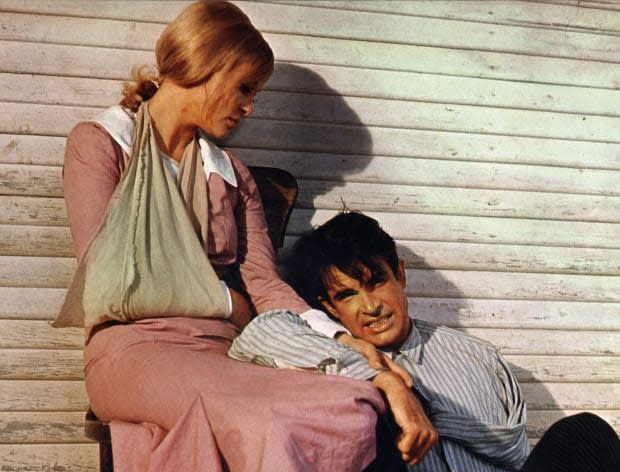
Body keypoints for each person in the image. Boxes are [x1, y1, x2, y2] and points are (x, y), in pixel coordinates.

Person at [53, 2, 415, 470]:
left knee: (348, 404)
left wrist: (344, 341)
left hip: (228, 351)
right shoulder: (100, 143)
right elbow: (112, 280)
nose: (249, 107)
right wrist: (229, 303)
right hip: (133, 350)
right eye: (244, 88)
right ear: (206, 65)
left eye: (255, 93)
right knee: (264, 419)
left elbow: (263, 286)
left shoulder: (231, 175)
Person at [229, 211, 620, 471]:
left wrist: (428, 410)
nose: (370, 307)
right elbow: (259, 334)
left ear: (400, 274)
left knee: (585, 433)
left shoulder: (475, 355)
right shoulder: (328, 354)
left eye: (376, 282)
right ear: (328, 307)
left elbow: (514, 449)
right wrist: (383, 382)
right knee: (369, 418)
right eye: (347, 296)